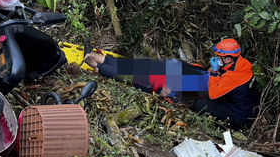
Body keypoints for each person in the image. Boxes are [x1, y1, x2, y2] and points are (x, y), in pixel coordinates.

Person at [83, 38, 260, 127]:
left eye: (221, 58)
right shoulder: (238, 64)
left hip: (228, 109)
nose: (217, 61)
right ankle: (104, 59)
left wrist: (213, 72)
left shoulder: (238, 76)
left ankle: (101, 68)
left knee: (155, 80)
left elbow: (215, 91)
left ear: (230, 58)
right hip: (207, 85)